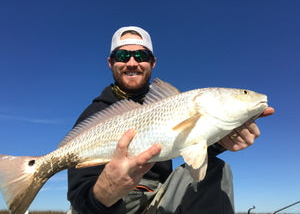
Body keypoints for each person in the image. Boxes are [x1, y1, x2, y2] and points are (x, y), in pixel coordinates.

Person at [67, 26, 274, 214]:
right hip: (111, 207)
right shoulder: (94, 114)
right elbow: (78, 195)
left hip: (159, 200)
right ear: (111, 62)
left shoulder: (173, 102)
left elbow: (185, 143)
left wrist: (221, 141)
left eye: (141, 55)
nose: (132, 62)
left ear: (152, 62)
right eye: (123, 55)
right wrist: (105, 193)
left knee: (216, 168)